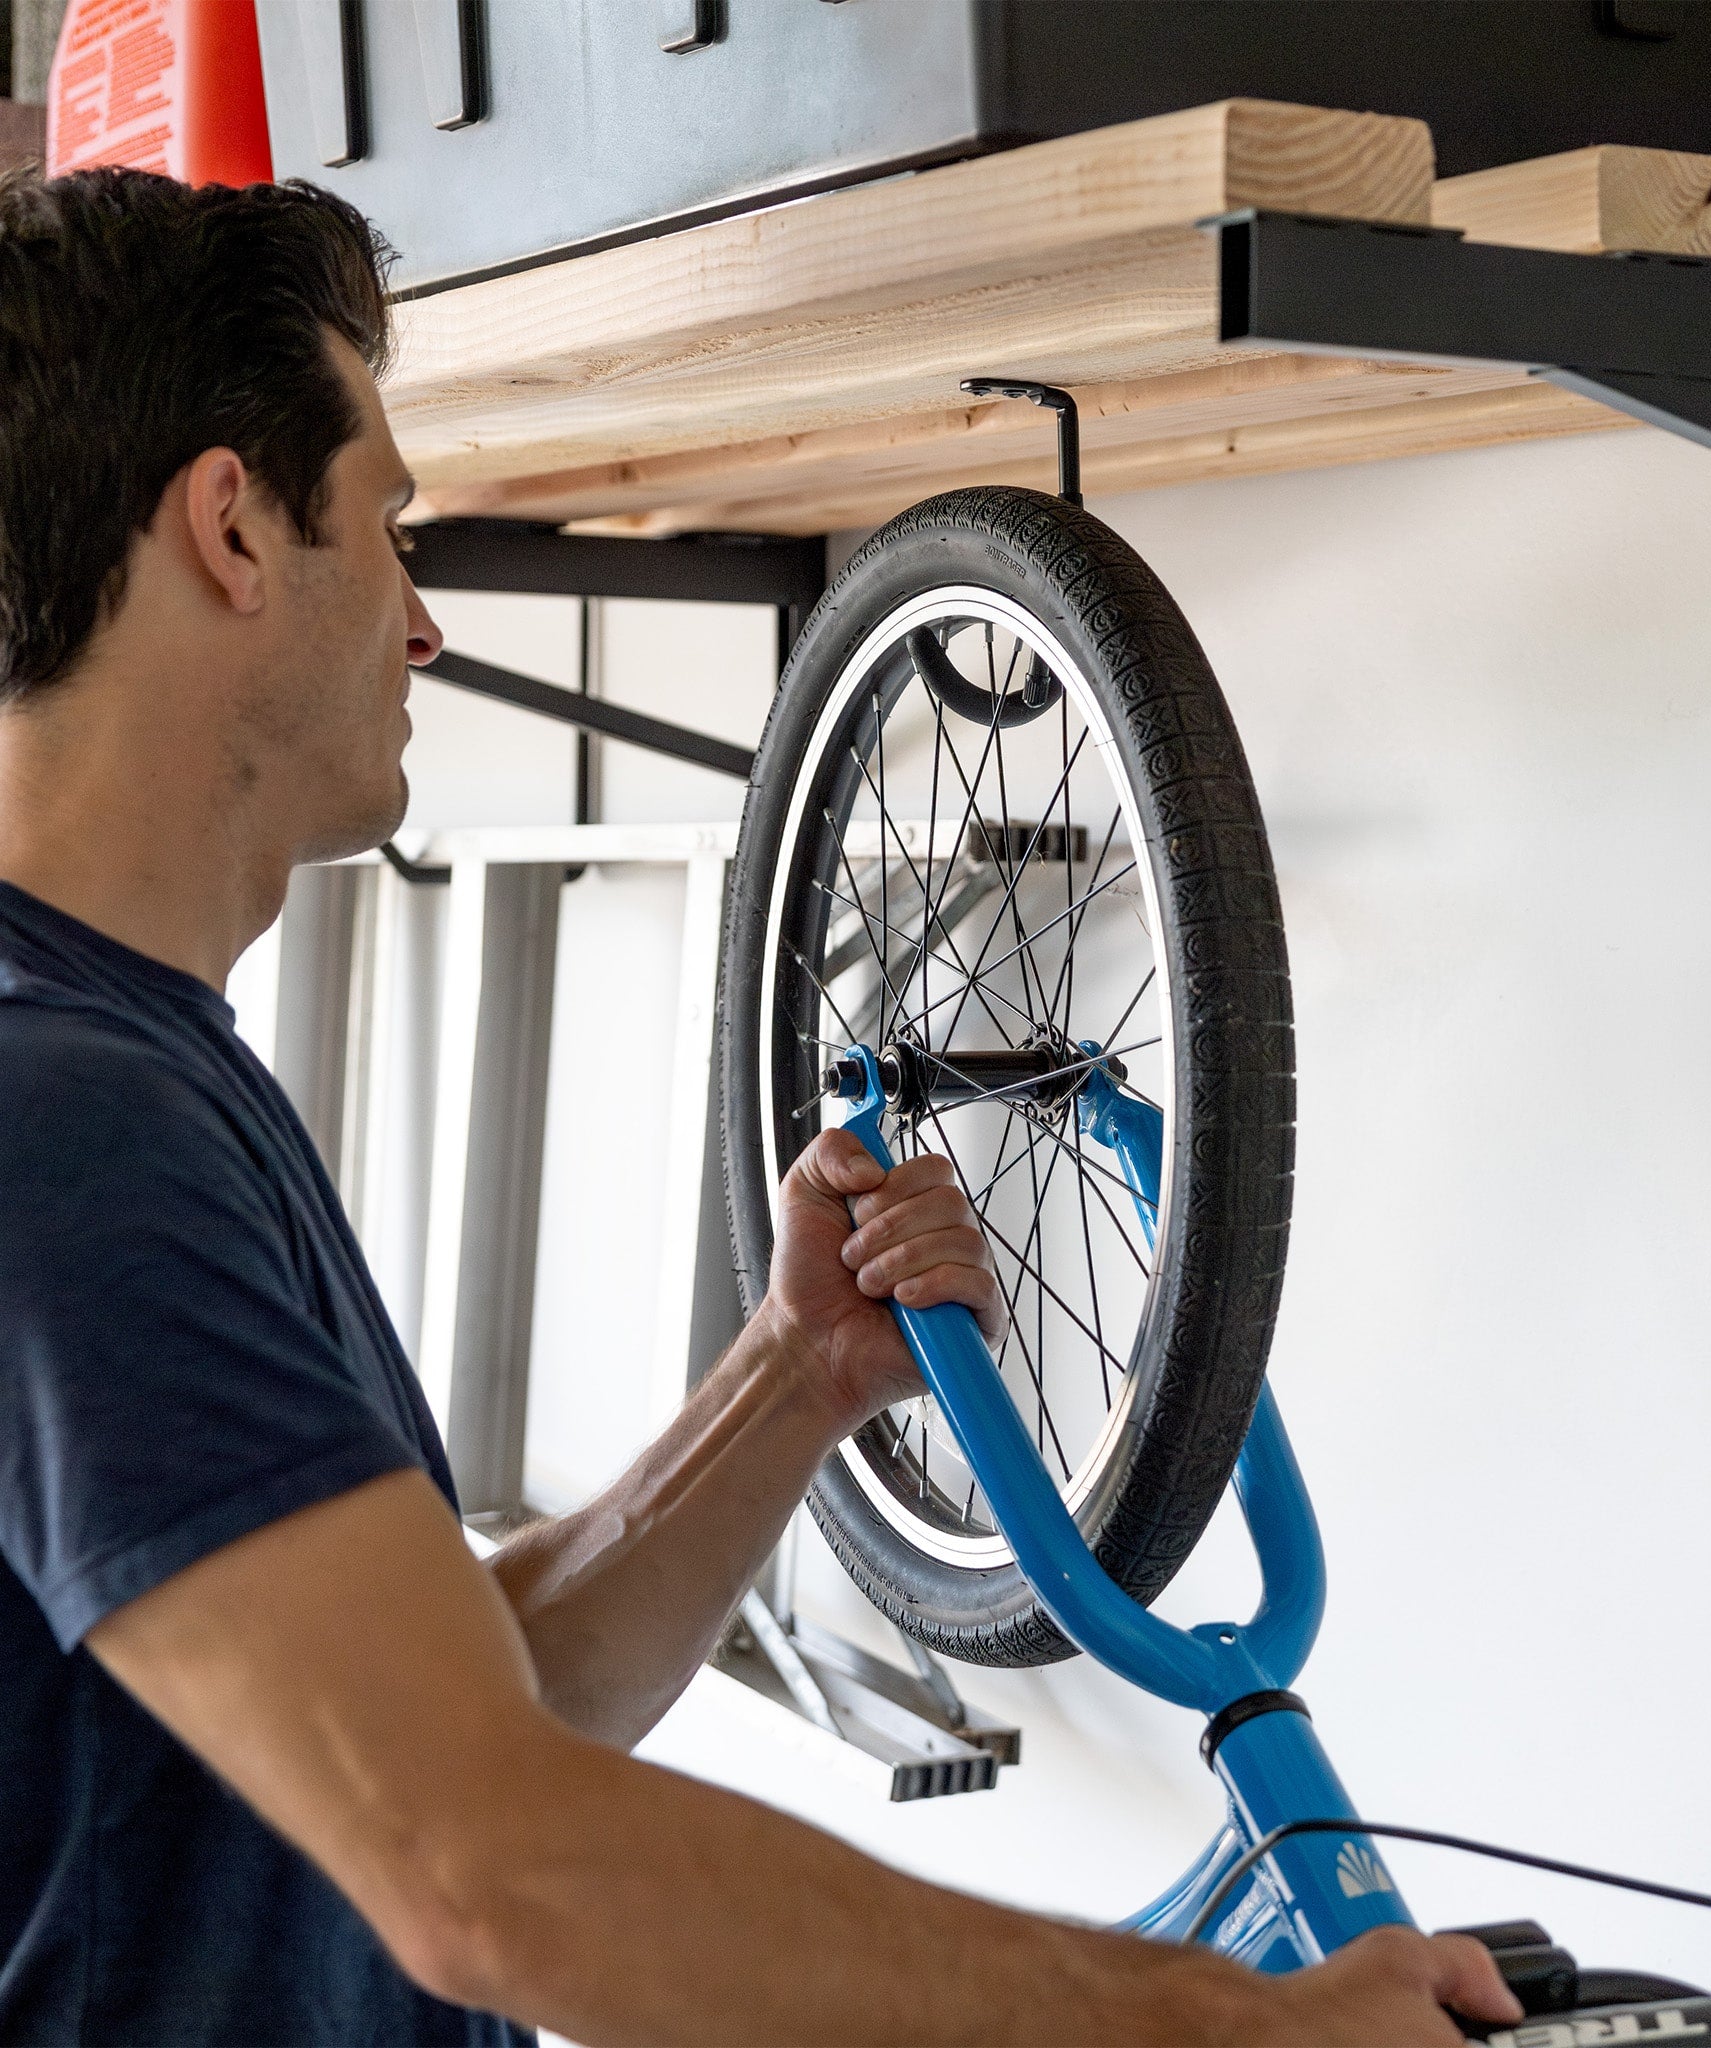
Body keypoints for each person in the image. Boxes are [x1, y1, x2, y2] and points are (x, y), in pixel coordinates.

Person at [0, 166, 1521, 2047]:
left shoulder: (131, 1066)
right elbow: (494, 1866)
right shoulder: (65, 1127)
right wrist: (1234, 2028)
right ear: (233, 529)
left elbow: (486, 1711)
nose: (426, 627)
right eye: (389, 526)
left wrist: (793, 1374)